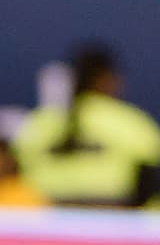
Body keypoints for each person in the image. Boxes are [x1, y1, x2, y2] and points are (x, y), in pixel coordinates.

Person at [11, 45, 160, 205]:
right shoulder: (127, 121)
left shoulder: (41, 122)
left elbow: (18, 168)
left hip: (47, 220)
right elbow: (153, 174)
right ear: (105, 79)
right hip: (113, 219)